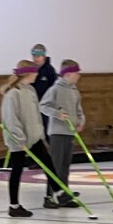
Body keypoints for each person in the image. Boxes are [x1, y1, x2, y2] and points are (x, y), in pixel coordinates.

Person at [0, 60, 72, 217]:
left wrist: (40, 134)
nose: (37, 75)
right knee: (17, 170)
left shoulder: (31, 90)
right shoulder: (13, 94)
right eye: (35, 72)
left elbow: (36, 115)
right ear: (28, 73)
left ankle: (59, 192)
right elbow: (11, 119)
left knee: (47, 163)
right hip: (19, 140)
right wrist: (19, 139)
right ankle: (14, 205)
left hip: (33, 136)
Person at [39, 60, 85, 208]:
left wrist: (81, 121)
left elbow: (79, 110)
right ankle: (50, 197)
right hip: (58, 132)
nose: (79, 75)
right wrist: (57, 114)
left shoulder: (74, 90)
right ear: (67, 74)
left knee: (65, 166)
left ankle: (63, 195)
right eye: (76, 73)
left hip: (70, 132)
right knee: (56, 166)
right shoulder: (55, 89)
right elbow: (43, 106)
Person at [30, 44, 57, 137]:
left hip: (45, 107)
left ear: (44, 56)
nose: (35, 58)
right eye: (34, 56)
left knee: (46, 131)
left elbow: (54, 89)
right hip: (32, 106)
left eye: (38, 56)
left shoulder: (50, 70)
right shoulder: (30, 70)